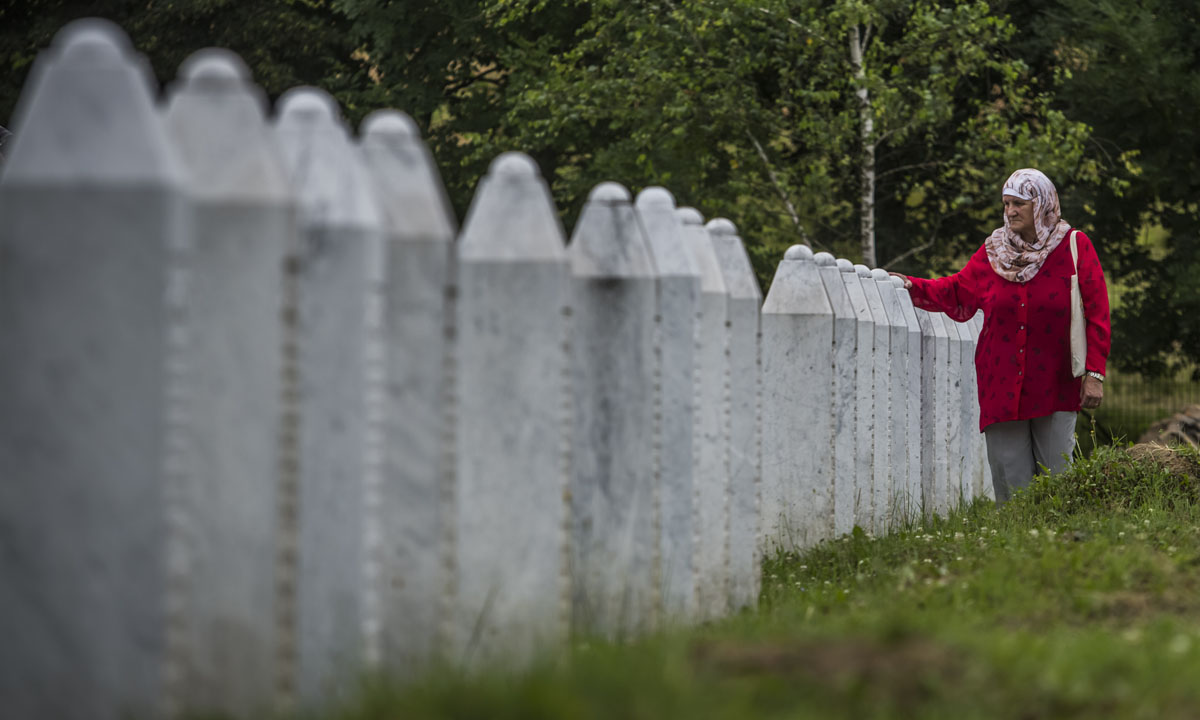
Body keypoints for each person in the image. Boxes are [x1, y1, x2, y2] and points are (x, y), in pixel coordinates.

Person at [891, 168, 1111, 503]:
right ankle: (1018, 549)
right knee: (1013, 488)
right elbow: (956, 290)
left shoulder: (1074, 246)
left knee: (1059, 481)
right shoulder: (993, 252)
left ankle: (1062, 548)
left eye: (1019, 204)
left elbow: (1098, 312)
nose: (1010, 211)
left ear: (1041, 204)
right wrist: (911, 285)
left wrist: (1094, 374)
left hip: (1055, 381)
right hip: (1002, 385)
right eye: (1006, 203)